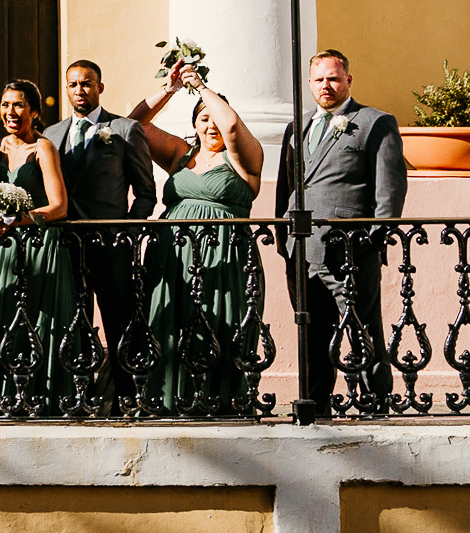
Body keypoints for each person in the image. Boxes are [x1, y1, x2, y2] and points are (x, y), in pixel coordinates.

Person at [275, 47, 407, 418]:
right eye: (318, 79)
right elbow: (286, 187)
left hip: (350, 249)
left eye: (333, 78)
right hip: (302, 249)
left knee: (362, 329)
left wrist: (374, 238)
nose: (326, 86)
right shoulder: (295, 126)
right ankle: (316, 408)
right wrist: (283, 238)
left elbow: (390, 188)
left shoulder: (374, 122)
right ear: (310, 84)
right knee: (312, 333)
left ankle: (375, 402)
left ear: (348, 80)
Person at [133, 59, 264, 413]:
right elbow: (135, 127)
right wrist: (172, 88)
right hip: (172, 254)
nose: (212, 125)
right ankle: (167, 398)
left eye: (214, 117)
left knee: (223, 320)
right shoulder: (180, 153)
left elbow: (233, 125)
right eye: (203, 118)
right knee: (169, 320)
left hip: (224, 254)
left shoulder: (242, 159)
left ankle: (221, 399)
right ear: (194, 124)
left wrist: (202, 86)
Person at [45, 59, 155, 408]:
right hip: (66, 245)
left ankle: (126, 398)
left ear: (100, 87)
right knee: (72, 322)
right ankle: (77, 396)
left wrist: (127, 230)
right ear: (66, 89)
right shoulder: (51, 134)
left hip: (111, 246)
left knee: (117, 322)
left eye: (87, 83)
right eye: (73, 84)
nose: (80, 90)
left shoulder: (124, 130)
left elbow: (146, 192)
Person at [0, 79, 71, 414]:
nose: (11, 112)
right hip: (6, 248)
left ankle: (43, 400)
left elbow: (59, 206)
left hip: (40, 244)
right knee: (5, 320)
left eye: (19, 105)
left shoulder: (43, 148)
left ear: (34, 112)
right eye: (5, 105)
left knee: (39, 322)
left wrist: (19, 218)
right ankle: (3, 400)